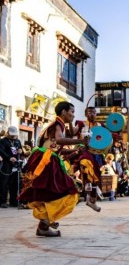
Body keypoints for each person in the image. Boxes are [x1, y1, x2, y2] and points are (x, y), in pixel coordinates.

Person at [18, 101, 89, 237]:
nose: (73, 115)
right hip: (46, 160)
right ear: (63, 112)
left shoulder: (59, 124)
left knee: (49, 192)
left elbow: (57, 147)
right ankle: (45, 222)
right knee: (68, 189)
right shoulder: (58, 124)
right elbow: (60, 140)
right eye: (72, 112)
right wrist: (80, 141)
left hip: (47, 158)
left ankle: (44, 225)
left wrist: (76, 151)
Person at [70, 106, 104, 212]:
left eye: (94, 113)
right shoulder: (80, 124)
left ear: (96, 114)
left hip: (97, 153)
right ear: (85, 114)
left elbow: (104, 139)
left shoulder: (100, 126)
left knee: (96, 177)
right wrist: (70, 122)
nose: (92, 114)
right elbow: (72, 132)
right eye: (90, 112)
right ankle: (86, 194)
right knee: (86, 166)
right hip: (84, 152)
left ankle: (92, 200)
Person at [0, 126, 23, 208]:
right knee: (4, 183)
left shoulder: (17, 141)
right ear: (8, 133)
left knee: (15, 183)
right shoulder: (3, 141)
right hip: (6, 164)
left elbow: (20, 150)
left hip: (16, 164)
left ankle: (13, 201)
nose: (14, 136)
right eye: (12, 134)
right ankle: (3, 201)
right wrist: (9, 158)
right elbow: (1, 151)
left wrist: (21, 150)